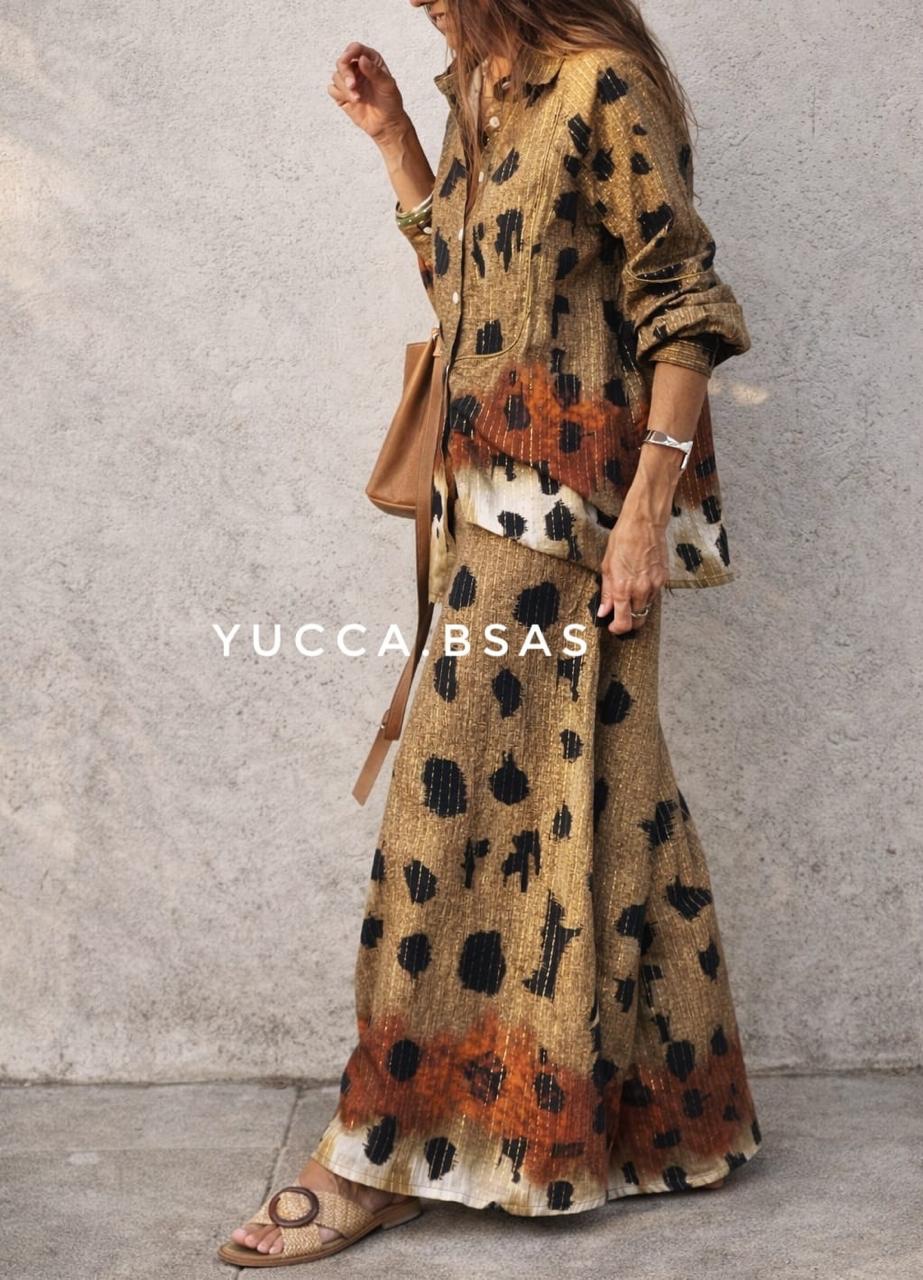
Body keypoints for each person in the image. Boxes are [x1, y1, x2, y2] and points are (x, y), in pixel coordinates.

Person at [218, 0, 762, 1266]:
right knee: (609, 804)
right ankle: (669, 1117)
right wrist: (397, 141)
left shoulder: (601, 86)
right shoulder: (480, 87)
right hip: (480, 506)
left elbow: (681, 305)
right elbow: (469, 290)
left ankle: (379, 1150)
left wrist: (645, 515)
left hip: (573, 519)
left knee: (444, 815)